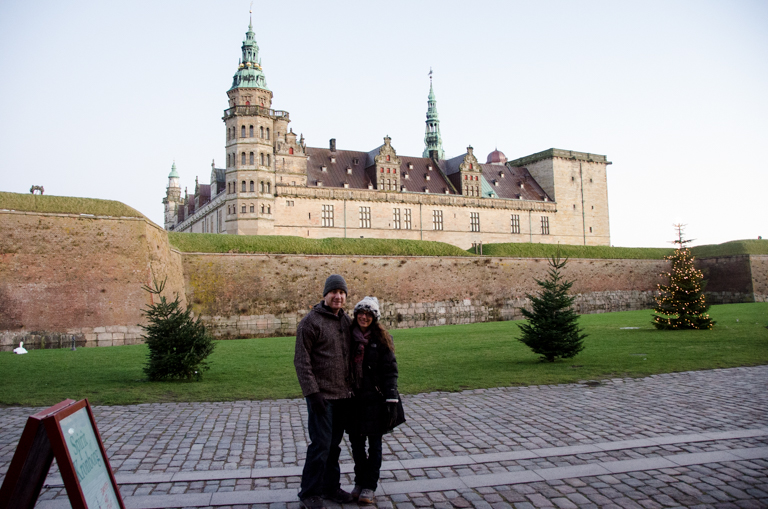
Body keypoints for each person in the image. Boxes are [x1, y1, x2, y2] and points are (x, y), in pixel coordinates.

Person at [294, 275, 356, 509]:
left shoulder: (345, 321)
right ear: (325, 294)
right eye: (334, 292)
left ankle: (330, 488)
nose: (338, 296)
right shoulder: (311, 322)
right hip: (322, 398)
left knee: (333, 447)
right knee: (320, 445)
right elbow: (301, 361)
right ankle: (309, 492)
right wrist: (312, 393)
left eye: (342, 292)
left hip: (342, 396)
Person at [347, 296, 405, 504]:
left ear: (374, 317)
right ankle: (359, 482)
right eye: (360, 313)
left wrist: (391, 398)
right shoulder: (348, 338)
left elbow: (391, 370)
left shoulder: (381, 339)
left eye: (368, 314)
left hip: (375, 401)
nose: (363, 317)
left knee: (375, 444)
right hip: (354, 400)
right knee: (356, 445)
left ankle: (369, 486)